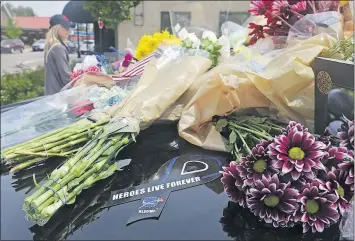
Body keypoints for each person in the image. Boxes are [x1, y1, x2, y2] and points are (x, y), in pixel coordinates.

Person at [44, 14, 71, 95]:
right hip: (59, 97)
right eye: (65, 27)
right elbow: (66, 78)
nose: (68, 30)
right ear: (57, 28)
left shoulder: (50, 46)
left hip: (51, 95)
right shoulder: (58, 48)